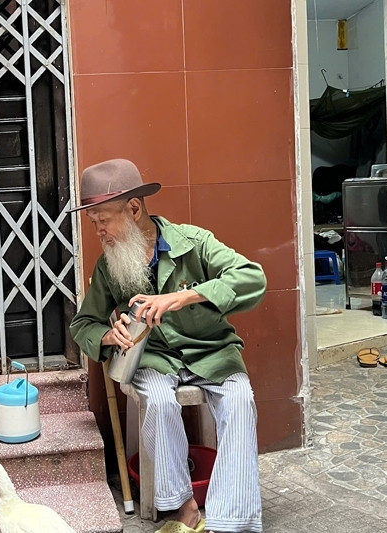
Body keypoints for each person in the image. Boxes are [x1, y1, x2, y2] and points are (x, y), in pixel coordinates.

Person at [69, 159, 267, 533]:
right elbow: (83, 324)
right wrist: (108, 336)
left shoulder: (194, 243)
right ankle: (183, 506)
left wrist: (184, 297)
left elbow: (252, 278)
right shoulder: (111, 266)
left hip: (213, 352)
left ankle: (231, 522)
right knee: (158, 403)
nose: (99, 232)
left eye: (104, 220)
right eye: (93, 223)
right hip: (155, 360)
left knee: (241, 400)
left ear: (133, 209)